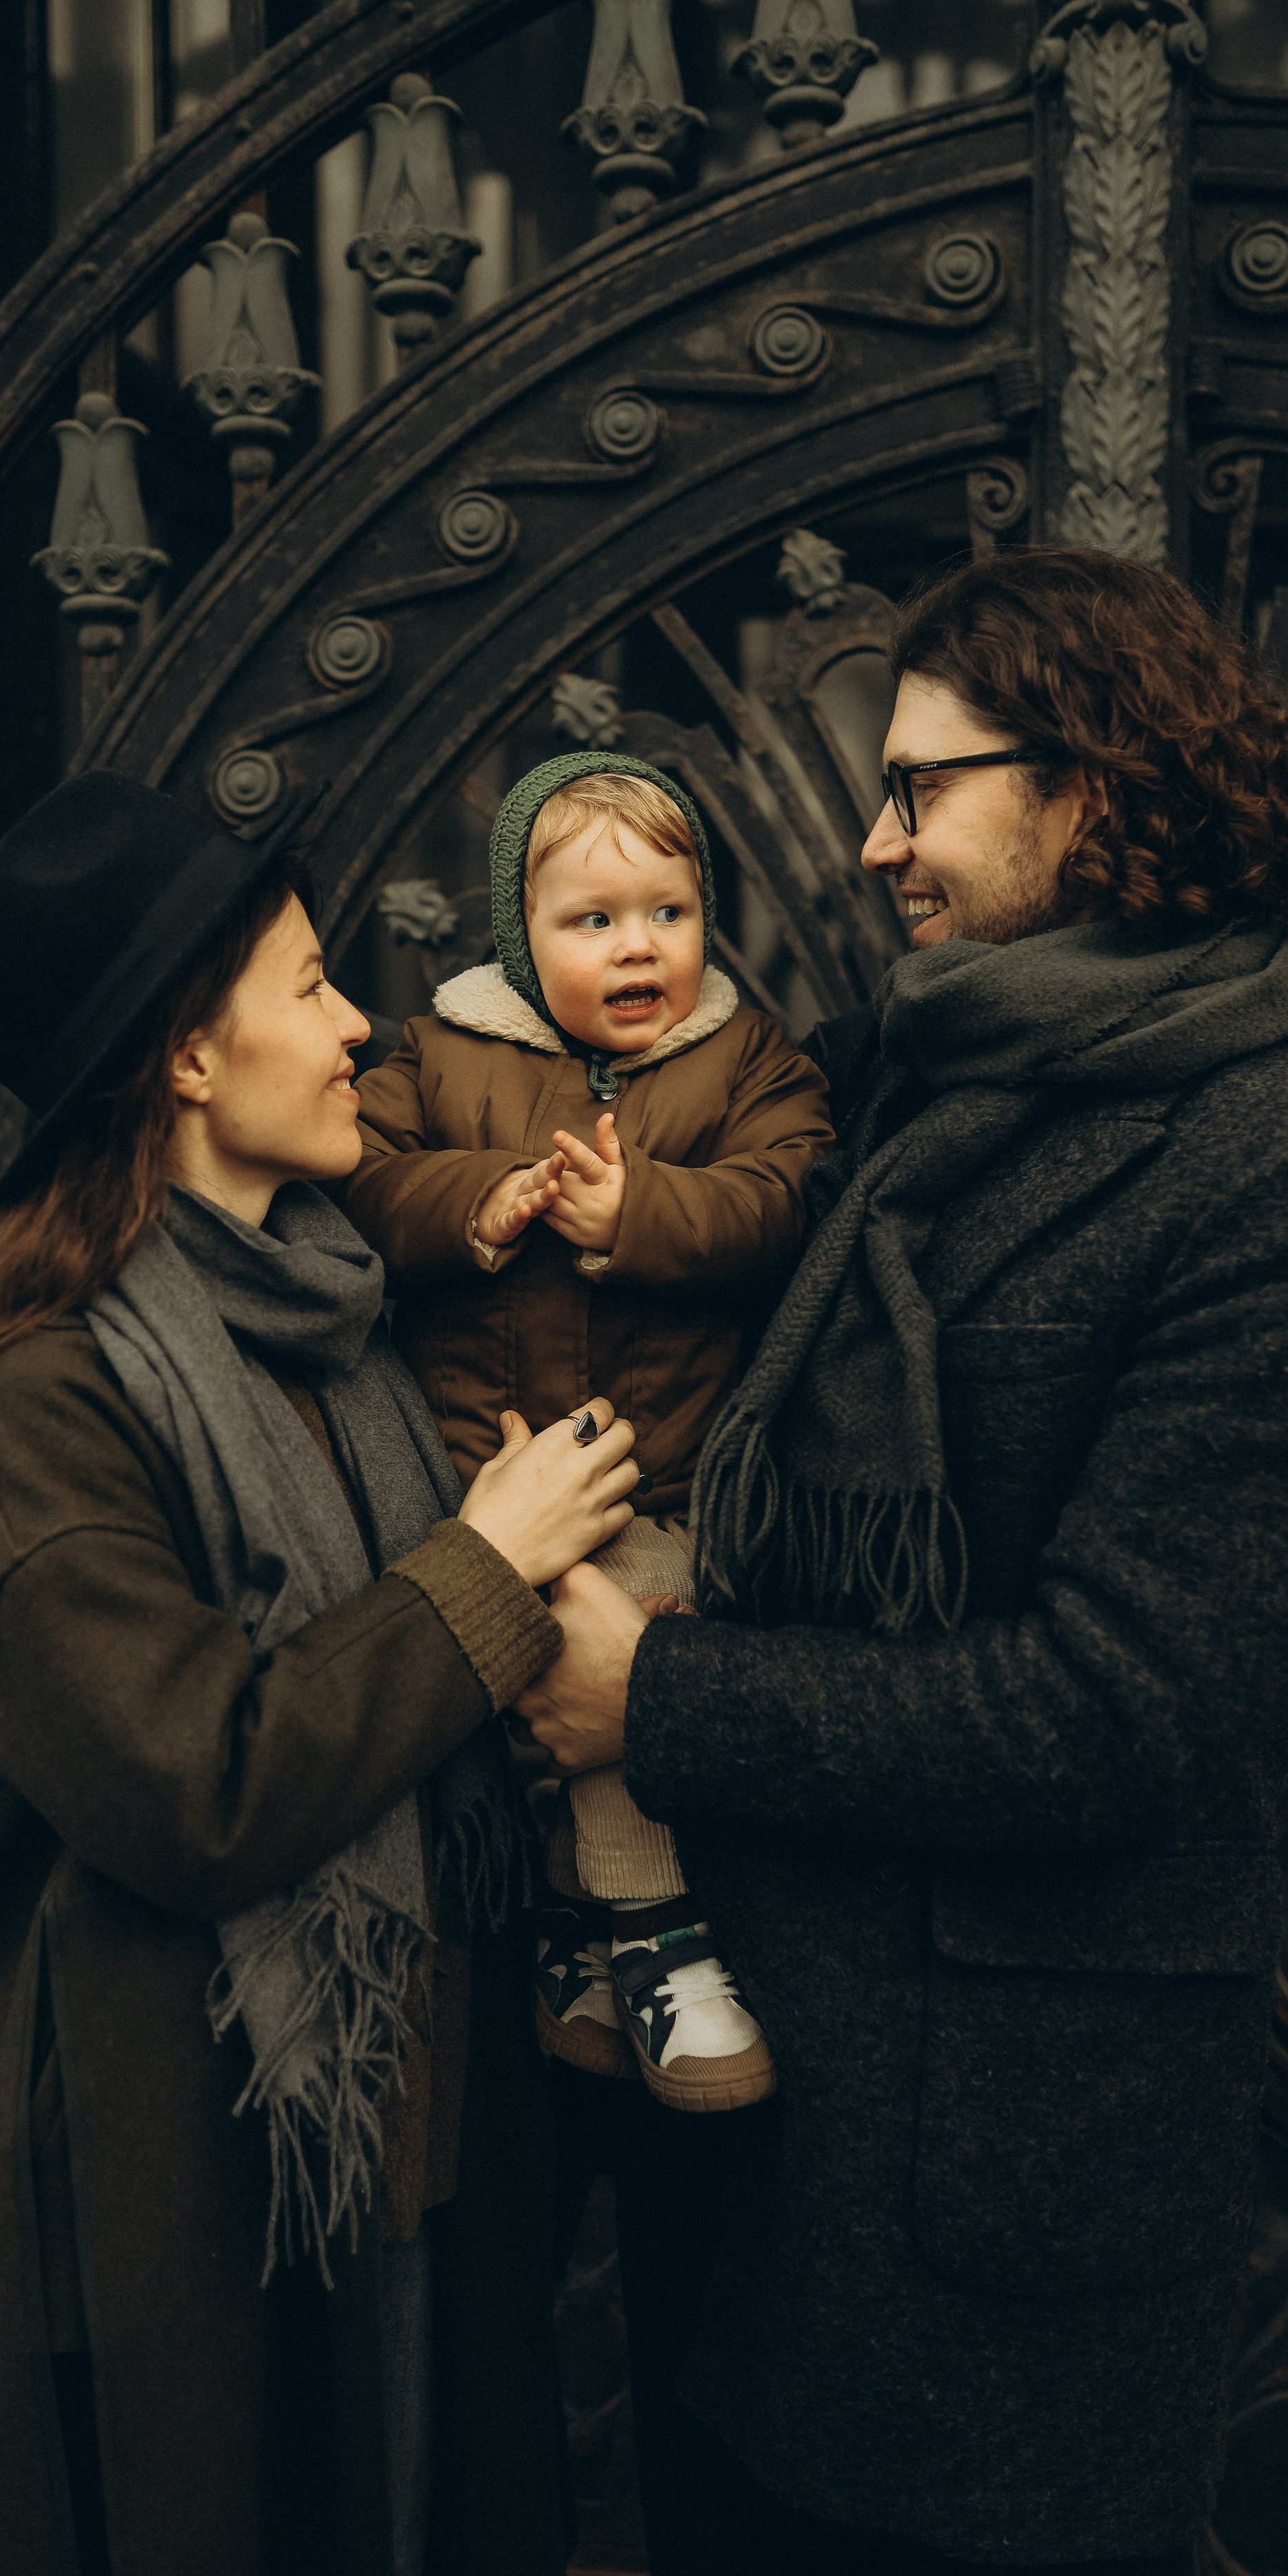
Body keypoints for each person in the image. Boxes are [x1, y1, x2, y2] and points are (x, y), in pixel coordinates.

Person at [515, 551, 1288, 2576]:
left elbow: (1123, 1710)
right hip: (753, 2121)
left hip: (1002, 2170)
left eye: (922, 789)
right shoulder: (906, 1074)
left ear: (1088, 794)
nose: (872, 841)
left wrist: (651, 1700)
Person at [0, 772, 641, 2576]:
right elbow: (194, 1786)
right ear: (189, 1060)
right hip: (173, 2204)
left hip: (413, 2159)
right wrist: (490, 1568)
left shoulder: (339, 1322)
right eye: (309, 986)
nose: (362, 1022)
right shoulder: (39, 1402)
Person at [340, 755, 831, 2110]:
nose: (638, 946)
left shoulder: (743, 1057)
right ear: (517, 933)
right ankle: (575, 1940)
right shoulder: (436, 1053)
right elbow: (363, 1184)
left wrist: (647, 1219)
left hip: (650, 1470)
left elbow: (785, 1194)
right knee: (516, 1713)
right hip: (476, 1471)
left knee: (624, 1685)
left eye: (667, 913)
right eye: (592, 919)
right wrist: (481, 1199)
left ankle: (648, 1937)